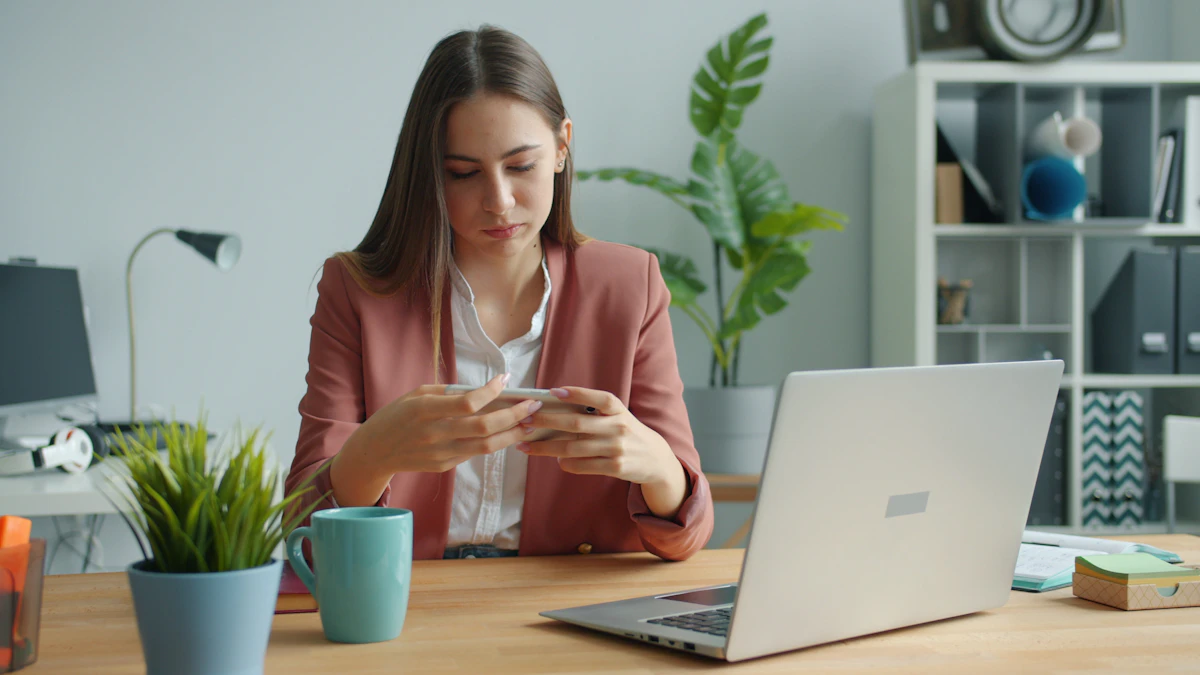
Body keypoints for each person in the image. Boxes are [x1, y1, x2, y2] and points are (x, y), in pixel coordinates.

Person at [285, 24, 714, 561]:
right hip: (408, 600)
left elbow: (688, 533)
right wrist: (374, 452)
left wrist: (655, 463)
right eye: (464, 174)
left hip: (568, 610)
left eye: (521, 166)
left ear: (562, 148)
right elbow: (303, 527)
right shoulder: (359, 291)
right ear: (431, 177)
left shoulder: (629, 284)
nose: (499, 201)